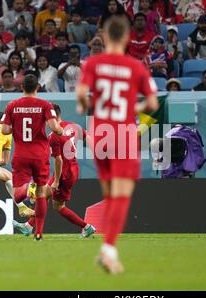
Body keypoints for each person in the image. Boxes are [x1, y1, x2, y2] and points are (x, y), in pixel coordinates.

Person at [76, 16, 159, 274]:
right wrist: (135, 106)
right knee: (120, 197)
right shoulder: (136, 67)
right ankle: (109, 251)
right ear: (125, 38)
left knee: (110, 195)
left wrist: (83, 105)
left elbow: (81, 94)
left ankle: (107, 249)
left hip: (100, 136)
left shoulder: (93, 63)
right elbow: (153, 104)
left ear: (104, 37)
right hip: (123, 135)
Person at [13, 104, 96, 237]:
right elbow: (88, 138)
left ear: (53, 117)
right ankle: (28, 226)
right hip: (73, 169)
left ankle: (87, 227)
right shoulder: (72, 126)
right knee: (46, 197)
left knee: (56, 205)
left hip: (64, 173)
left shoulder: (53, 137)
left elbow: (59, 161)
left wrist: (56, 180)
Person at [1, 74, 64, 240]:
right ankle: (38, 232)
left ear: (21, 87)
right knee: (42, 192)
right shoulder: (45, 105)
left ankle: (28, 190)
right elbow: (54, 126)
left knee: (17, 193)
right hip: (40, 154)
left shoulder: (12, 105)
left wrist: (16, 126)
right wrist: (59, 130)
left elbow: (4, 130)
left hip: (21, 154)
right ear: (37, 87)